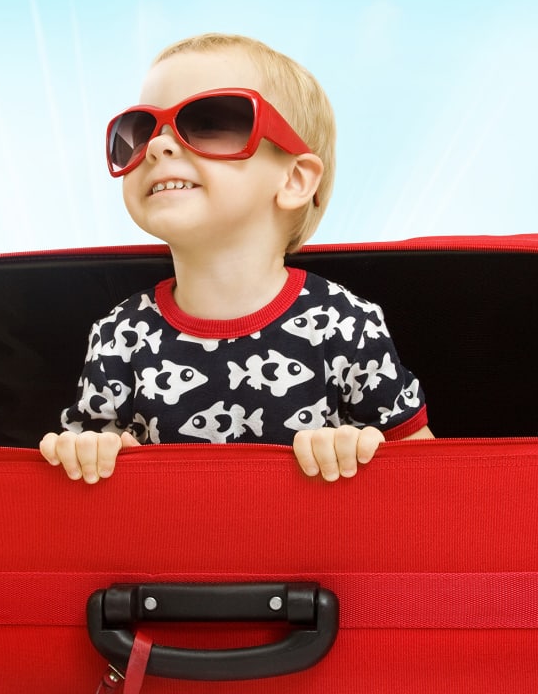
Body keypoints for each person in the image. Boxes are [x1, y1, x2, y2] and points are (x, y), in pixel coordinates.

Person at [39, 33, 432, 484]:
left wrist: (363, 452)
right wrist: (86, 453)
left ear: (294, 180)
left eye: (209, 121)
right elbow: (79, 474)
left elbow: (429, 474)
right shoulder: (119, 336)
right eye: (139, 130)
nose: (158, 146)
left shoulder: (346, 325)